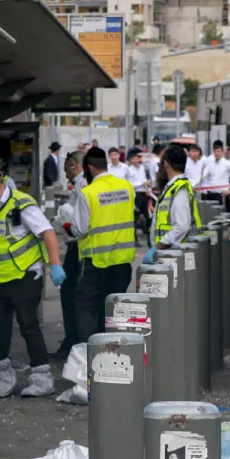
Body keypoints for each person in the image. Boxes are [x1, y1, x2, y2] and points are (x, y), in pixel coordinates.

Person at [0, 163, 65, 398]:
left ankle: (42, 377)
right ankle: (3, 374)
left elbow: (47, 232)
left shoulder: (21, 204)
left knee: (28, 325)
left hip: (26, 275)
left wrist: (55, 265)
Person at [68, 147, 137, 343]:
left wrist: (67, 226)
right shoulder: (126, 187)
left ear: (89, 168)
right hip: (122, 261)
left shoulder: (87, 192)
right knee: (114, 308)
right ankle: (116, 352)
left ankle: (91, 353)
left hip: (95, 262)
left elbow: (80, 229)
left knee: (86, 304)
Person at [146, 143, 202, 261]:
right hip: (169, 254)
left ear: (166, 164)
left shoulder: (179, 190)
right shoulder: (172, 188)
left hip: (174, 256)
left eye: (160, 163)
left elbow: (181, 227)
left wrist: (157, 247)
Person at [55, 152, 86, 357]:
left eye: (67, 171)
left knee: (71, 295)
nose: (66, 177)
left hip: (79, 247)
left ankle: (74, 341)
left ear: (75, 167)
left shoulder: (82, 186)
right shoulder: (83, 185)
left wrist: (64, 222)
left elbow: (79, 225)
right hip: (83, 248)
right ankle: (74, 340)